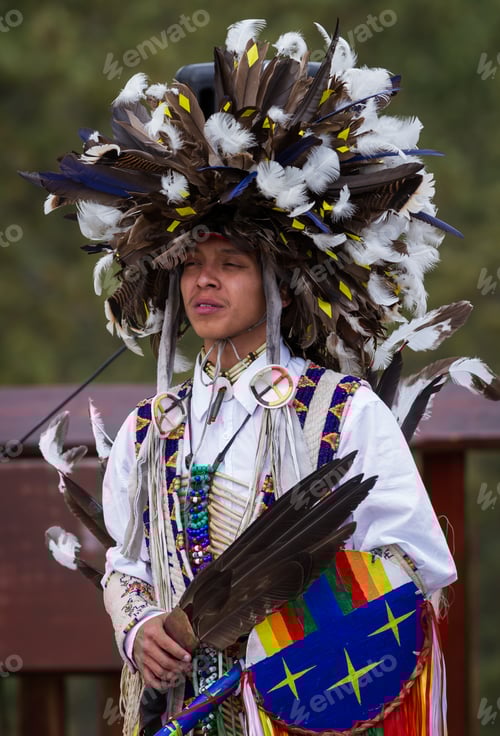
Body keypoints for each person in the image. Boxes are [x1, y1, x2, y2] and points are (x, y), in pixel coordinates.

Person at [25, 18, 499, 736]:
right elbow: (127, 560)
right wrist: (142, 626)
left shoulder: (342, 414)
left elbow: (414, 572)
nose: (204, 282)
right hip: (187, 714)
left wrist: (285, 629)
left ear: (278, 283)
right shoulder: (153, 430)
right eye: (191, 264)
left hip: (303, 710)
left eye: (231, 264)